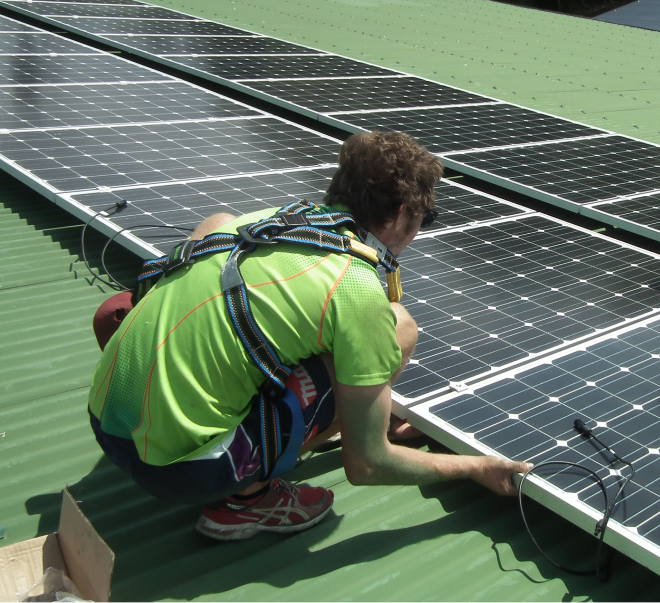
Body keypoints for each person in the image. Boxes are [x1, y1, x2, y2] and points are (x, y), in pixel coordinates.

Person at [87, 131, 530, 541]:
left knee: (223, 233)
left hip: (103, 420)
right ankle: (244, 501)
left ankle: (295, 423)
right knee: (399, 327)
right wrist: (475, 466)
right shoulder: (353, 288)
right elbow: (368, 465)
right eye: (424, 218)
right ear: (399, 216)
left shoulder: (270, 220)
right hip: (177, 471)